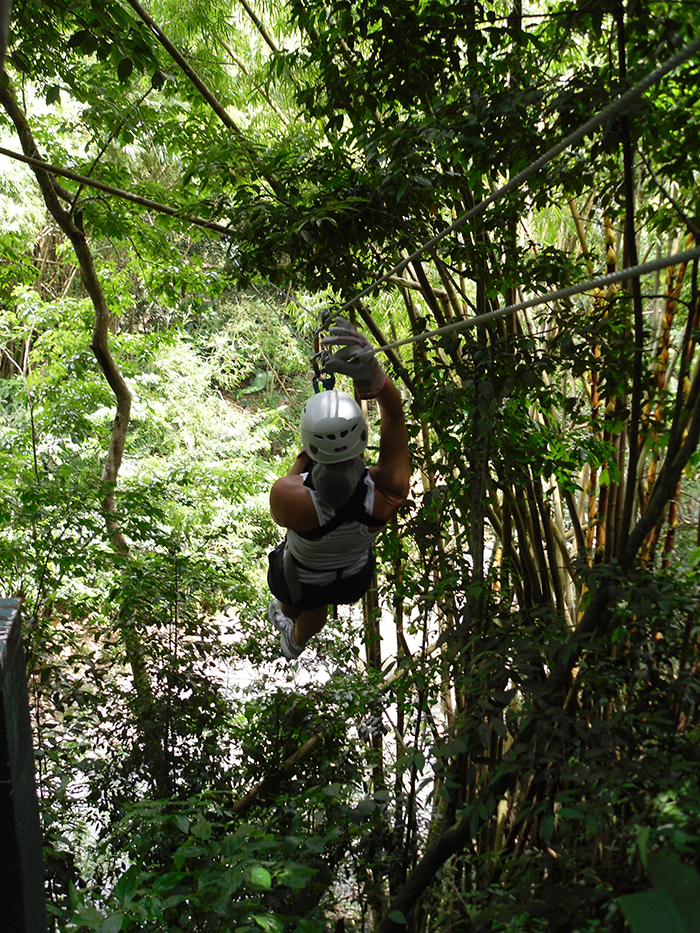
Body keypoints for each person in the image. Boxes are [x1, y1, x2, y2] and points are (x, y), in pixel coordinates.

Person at [267, 319, 410, 659]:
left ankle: (291, 632)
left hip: (299, 575)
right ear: (362, 440)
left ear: (308, 444)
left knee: (300, 598)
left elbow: (295, 478)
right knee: (315, 598)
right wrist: (373, 379)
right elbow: (394, 415)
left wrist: (304, 459)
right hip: (352, 579)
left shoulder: (288, 499)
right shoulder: (388, 494)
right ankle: (294, 639)